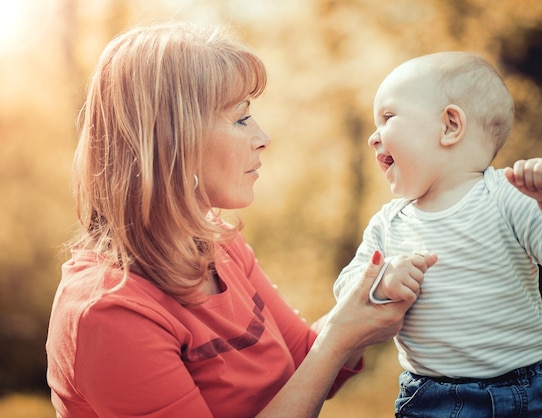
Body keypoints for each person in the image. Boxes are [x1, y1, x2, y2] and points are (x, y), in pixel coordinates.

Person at [45, 22, 435, 418]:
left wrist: (374, 293)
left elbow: (305, 361)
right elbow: (323, 354)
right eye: (241, 118)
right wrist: (339, 338)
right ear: (174, 142)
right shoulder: (109, 311)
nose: (263, 137)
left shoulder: (218, 243)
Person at [333, 51, 542, 417]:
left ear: (450, 126)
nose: (372, 138)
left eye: (388, 117)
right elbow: (346, 291)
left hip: (528, 393)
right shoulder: (388, 223)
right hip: (432, 400)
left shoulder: (507, 195)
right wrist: (380, 281)